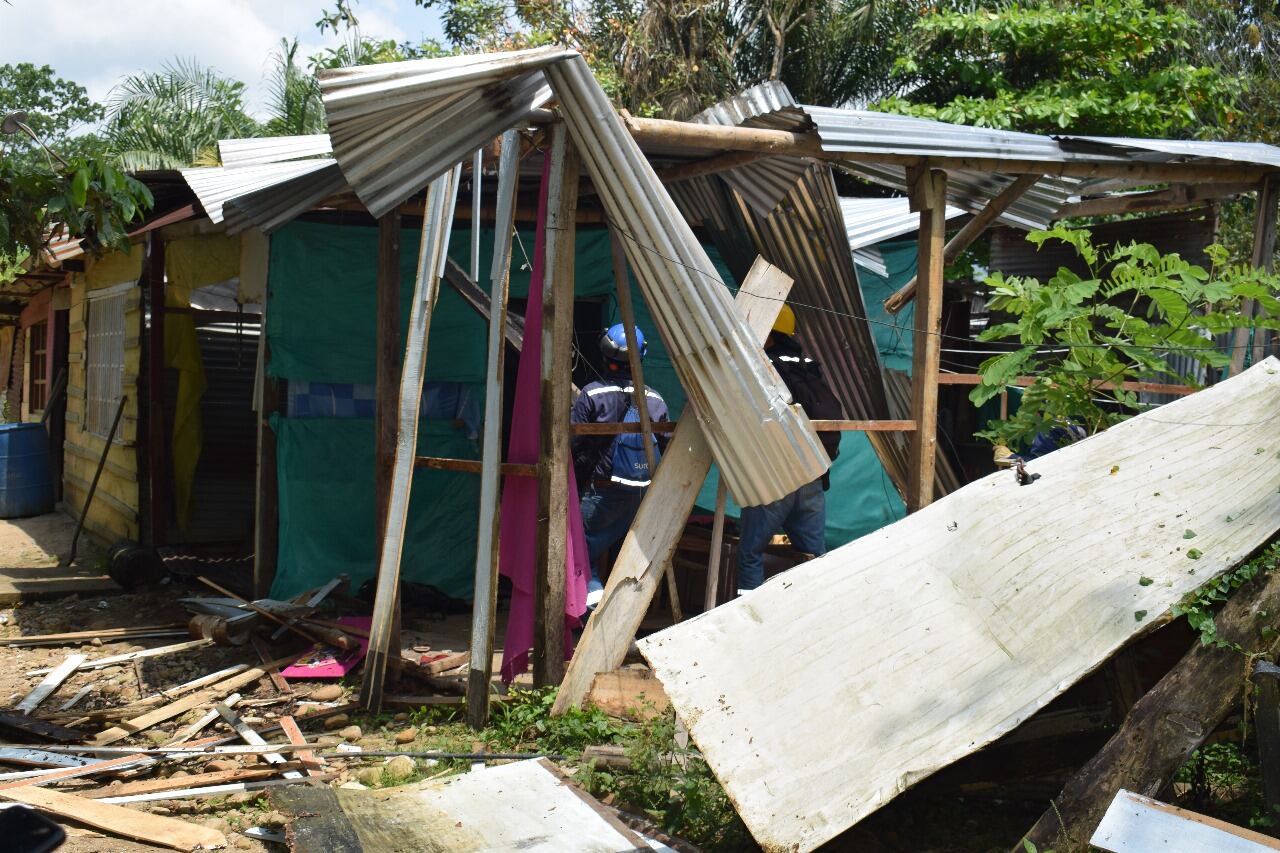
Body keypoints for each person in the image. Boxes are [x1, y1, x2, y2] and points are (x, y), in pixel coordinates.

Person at [736, 303, 844, 593]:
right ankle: (814, 613)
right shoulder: (808, 365)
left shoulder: (764, 366)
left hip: (777, 477)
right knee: (813, 557)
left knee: (750, 553)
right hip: (813, 473)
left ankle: (746, 620)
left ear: (768, 333)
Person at [571, 323, 670, 608]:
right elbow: (667, 444)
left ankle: (594, 614)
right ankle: (622, 617)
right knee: (626, 558)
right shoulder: (656, 399)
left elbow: (572, 445)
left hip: (600, 492)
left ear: (605, 354)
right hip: (640, 493)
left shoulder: (592, 395)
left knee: (580, 554)